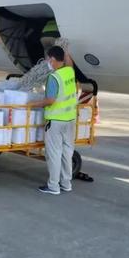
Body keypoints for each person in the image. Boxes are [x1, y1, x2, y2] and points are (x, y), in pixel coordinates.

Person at [33, 46, 77, 195]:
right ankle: (66, 184)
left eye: (48, 59)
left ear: (52, 59)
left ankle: (53, 186)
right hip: (70, 119)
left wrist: (33, 104)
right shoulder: (69, 72)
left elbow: (50, 100)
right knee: (67, 152)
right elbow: (70, 63)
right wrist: (66, 53)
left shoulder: (54, 77)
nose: (48, 62)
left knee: (54, 153)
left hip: (56, 121)